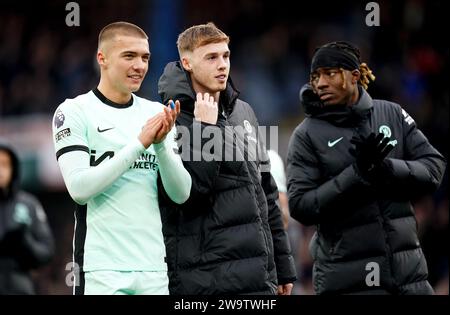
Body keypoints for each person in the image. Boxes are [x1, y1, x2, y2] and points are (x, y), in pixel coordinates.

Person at [287, 41, 446, 295]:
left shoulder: (392, 114)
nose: (321, 83)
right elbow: (300, 205)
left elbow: (434, 167)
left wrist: (388, 170)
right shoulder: (305, 135)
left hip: (409, 277)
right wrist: (357, 175)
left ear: (355, 76)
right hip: (348, 283)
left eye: (330, 73)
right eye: (315, 77)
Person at [52, 22, 191, 295]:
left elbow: (181, 193)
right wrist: (140, 143)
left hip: (153, 269)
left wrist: (161, 145)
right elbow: (79, 189)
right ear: (101, 58)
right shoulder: (74, 111)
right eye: (129, 56)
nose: (139, 65)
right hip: (101, 270)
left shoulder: (156, 113)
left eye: (145, 57)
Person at [157, 22, 296, 295]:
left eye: (226, 56)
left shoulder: (244, 112)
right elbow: (191, 193)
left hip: (258, 277)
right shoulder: (169, 118)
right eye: (211, 57)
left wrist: (282, 266)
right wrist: (205, 129)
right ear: (187, 62)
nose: (222, 65)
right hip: (206, 279)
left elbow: (266, 191)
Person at [0, 143, 54, 294]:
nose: (1, 170)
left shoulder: (28, 204)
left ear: (13, 169)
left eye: (5, 164)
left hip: (20, 288)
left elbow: (47, 251)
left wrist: (25, 242)